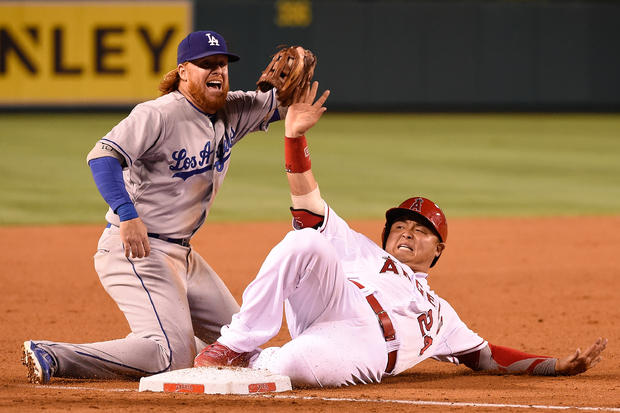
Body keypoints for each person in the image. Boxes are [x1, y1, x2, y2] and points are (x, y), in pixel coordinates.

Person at [193, 82, 608, 387]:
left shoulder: (443, 314)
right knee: (304, 239)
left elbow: (485, 356)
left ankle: (253, 360)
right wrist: (294, 137)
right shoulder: (361, 250)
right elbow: (307, 204)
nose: (407, 233)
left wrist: (554, 365)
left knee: (296, 368)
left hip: (358, 348)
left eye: (420, 230)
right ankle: (234, 344)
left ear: (438, 249)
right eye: (400, 226)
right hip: (337, 299)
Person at [22, 30, 289, 384]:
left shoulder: (233, 109)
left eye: (222, 64)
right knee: (169, 357)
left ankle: (177, 338)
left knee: (243, 342)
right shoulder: (158, 114)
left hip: (184, 257)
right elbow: (102, 157)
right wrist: (127, 212)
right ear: (183, 71)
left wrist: (290, 89)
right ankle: (54, 355)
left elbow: (282, 106)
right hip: (137, 248)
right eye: (206, 64)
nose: (218, 71)